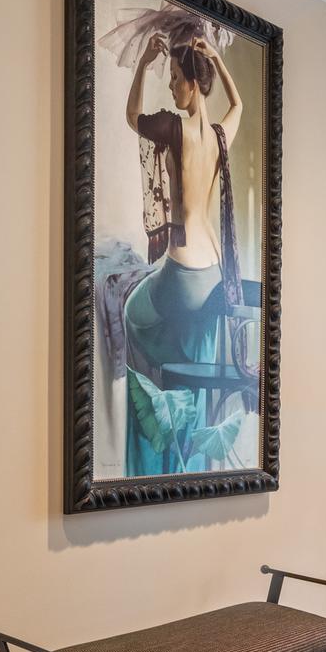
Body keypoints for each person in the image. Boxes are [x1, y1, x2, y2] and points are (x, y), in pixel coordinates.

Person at [118, 27, 248, 473]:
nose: (171, 86)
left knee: (132, 315)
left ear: (193, 86)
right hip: (212, 269)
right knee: (188, 343)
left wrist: (141, 63)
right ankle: (182, 420)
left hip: (182, 270)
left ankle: (159, 407)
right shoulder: (218, 136)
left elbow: (132, 114)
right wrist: (217, 58)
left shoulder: (174, 129)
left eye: (175, 78)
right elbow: (239, 104)